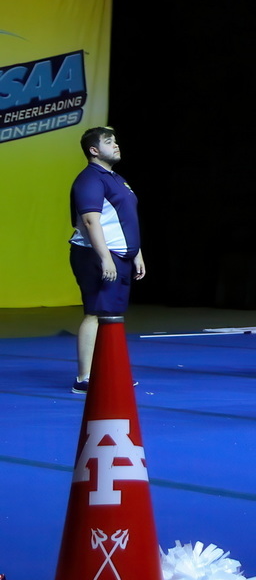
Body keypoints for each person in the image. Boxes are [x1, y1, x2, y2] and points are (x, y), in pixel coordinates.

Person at [68, 127, 145, 393]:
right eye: (109, 142)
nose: (116, 145)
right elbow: (91, 221)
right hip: (97, 255)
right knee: (95, 312)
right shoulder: (90, 179)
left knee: (111, 315)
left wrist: (136, 254)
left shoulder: (118, 179)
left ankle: (108, 373)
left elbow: (126, 220)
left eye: (116, 141)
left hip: (119, 254)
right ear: (93, 150)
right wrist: (105, 259)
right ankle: (84, 379)